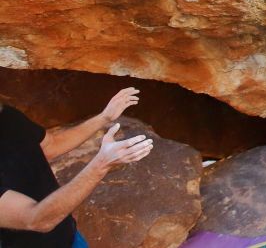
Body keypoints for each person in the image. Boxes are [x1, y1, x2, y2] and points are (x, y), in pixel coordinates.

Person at [0, 88, 154, 247]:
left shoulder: (6, 117)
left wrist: (104, 117)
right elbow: (36, 219)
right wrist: (102, 162)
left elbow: (51, 145)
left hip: (69, 236)